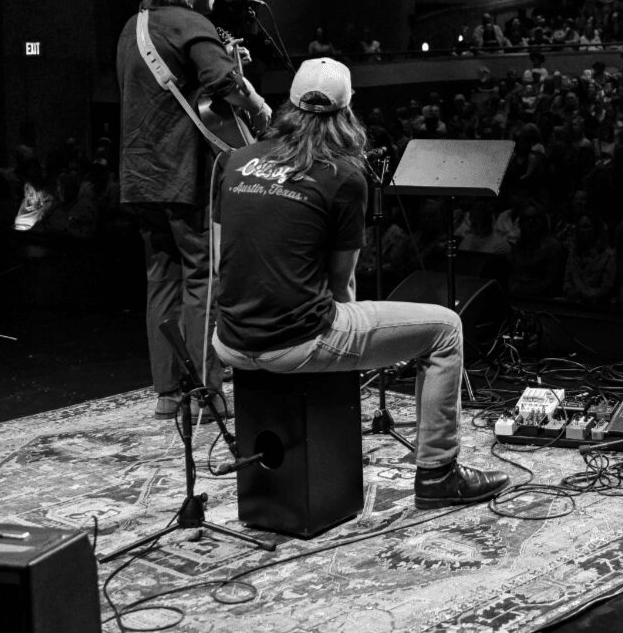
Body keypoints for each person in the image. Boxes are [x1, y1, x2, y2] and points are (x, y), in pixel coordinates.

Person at [211, 58, 508, 509]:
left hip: (229, 339)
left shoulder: (232, 162)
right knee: (446, 329)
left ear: (288, 104)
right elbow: (341, 281)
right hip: (295, 342)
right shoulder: (344, 174)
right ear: (348, 110)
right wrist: (346, 360)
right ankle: (438, 474)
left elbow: (220, 265)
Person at [116, 0, 272, 418]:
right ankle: (205, 391)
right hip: (184, 174)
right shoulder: (189, 23)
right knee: (203, 276)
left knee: (160, 277)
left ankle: (168, 392)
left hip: (139, 176)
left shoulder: (132, 27)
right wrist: (259, 105)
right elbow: (223, 84)